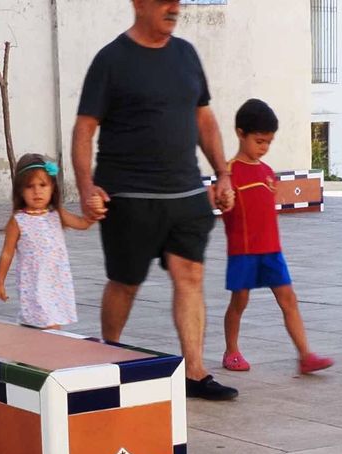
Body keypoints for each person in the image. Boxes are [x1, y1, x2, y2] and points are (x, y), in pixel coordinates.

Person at [73, 0, 240, 401]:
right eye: (165, 1)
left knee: (191, 276)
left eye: (178, 1)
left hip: (185, 193)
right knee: (125, 283)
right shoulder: (111, 60)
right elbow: (84, 129)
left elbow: (205, 119)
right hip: (129, 197)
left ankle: (195, 373)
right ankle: (108, 351)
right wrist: (85, 187)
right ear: (139, 3)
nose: (174, 7)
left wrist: (223, 173)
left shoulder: (186, 55)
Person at [218, 99, 334, 376]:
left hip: (271, 251)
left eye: (268, 142)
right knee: (239, 301)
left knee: (288, 299)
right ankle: (231, 350)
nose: (264, 147)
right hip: (243, 251)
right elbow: (222, 206)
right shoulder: (228, 172)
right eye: (259, 141)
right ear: (240, 133)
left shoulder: (268, 172)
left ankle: (305, 355)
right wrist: (224, 202)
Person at [0, 154, 93, 329]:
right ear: (20, 191)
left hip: (56, 281)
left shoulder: (57, 214)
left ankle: (41, 350)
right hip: (34, 282)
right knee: (44, 321)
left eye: (43, 185)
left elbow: (83, 223)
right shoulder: (18, 220)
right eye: (30, 187)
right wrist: (0, 282)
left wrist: (94, 213)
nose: (37, 191)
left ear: (52, 188)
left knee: (52, 322)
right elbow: (7, 252)